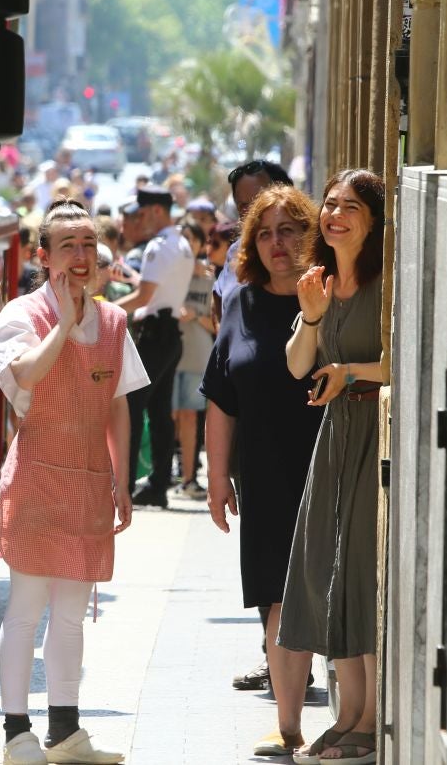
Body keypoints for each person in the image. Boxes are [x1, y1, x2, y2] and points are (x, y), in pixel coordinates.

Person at [0, 199, 147, 765]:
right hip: (35, 482)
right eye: (68, 247)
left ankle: (67, 732)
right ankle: (16, 734)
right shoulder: (18, 317)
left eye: (88, 244)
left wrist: (122, 480)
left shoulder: (112, 322)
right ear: (43, 256)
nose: (81, 257)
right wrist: (62, 323)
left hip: (86, 485)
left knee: (73, 615)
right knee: (26, 610)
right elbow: (25, 374)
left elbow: (118, 406)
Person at [200, 186, 325, 757]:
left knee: (331, 594)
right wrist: (218, 479)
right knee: (276, 600)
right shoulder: (241, 305)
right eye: (266, 233)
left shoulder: (332, 298)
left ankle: (352, 719)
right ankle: (290, 726)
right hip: (265, 477)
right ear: (253, 244)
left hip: (327, 466)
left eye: (290, 230)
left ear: (311, 235)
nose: (278, 244)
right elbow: (221, 399)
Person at [280, 169, 387, 765]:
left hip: (376, 430)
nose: (334, 214)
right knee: (329, 566)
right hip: (336, 435)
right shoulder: (318, 282)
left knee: (362, 571)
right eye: (329, 205)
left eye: (350, 206)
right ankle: (349, 714)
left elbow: (403, 361)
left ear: (372, 220)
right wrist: (313, 316)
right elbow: (298, 365)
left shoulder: (387, 280)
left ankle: (370, 719)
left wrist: (352, 374)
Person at [114, 186, 194, 508]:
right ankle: (157, 483)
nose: (138, 219)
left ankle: (127, 482)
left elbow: (143, 297)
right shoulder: (183, 243)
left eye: (142, 213)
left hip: (155, 332)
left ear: (157, 211)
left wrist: (99, 311)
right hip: (169, 331)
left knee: (131, 408)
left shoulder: (159, 247)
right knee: (159, 411)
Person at [212, 159, 293, 315]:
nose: (253, 212)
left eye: (260, 201)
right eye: (244, 206)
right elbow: (220, 299)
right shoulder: (236, 250)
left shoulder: (312, 250)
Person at [171, 220, 215, 499]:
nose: (187, 244)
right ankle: (162, 474)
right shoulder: (169, 274)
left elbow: (219, 325)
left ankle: (188, 478)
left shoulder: (210, 278)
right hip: (169, 352)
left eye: (192, 239)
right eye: (182, 238)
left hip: (197, 354)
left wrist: (195, 316)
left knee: (188, 416)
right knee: (166, 417)